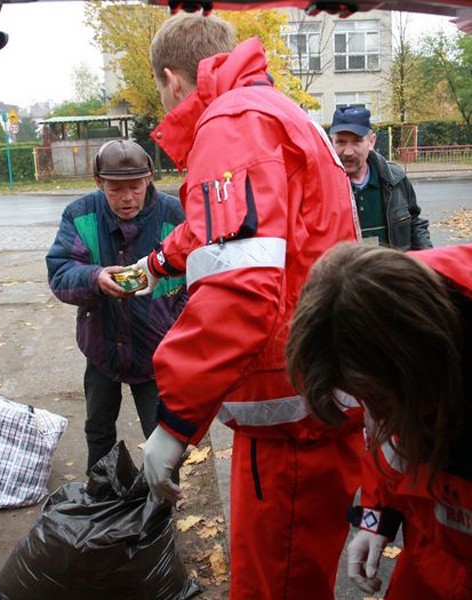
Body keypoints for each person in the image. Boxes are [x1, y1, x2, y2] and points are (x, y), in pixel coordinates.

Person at [133, 12, 365, 600]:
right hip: (318, 393)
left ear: (172, 79)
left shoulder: (231, 124)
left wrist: (174, 422)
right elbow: (231, 230)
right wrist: (157, 264)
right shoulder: (277, 114)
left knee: (275, 585)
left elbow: (240, 289)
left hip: (290, 421)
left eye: (161, 93)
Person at [286, 241, 472, 599]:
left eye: (380, 402)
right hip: (432, 561)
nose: (375, 416)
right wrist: (376, 517)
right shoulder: (383, 307)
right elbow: (387, 454)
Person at [46, 139, 187, 475]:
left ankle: (161, 510)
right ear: (99, 183)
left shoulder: (175, 215)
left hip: (157, 353)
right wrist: (95, 279)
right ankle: (101, 499)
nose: (127, 198)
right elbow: (60, 271)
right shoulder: (80, 216)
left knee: (162, 438)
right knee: (98, 430)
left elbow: (199, 279)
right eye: (115, 189)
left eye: (135, 187)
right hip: (102, 348)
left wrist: (173, 325)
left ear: (150, 177)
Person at [329, 105, 432, 250]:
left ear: (371, 142)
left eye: (357, 141)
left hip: (392, 270)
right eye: (341, 142)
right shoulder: (323, 187)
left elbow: (414, 222)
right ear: (331, 142)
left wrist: (428, 261)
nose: (348, 152)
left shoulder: (396, 180)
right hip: (347, 271)